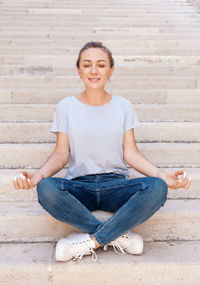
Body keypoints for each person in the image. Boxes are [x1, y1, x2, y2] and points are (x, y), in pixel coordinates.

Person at [13, 41, 191, 262]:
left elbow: (131, 154)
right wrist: (39, 175)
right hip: (80, 186)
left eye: (101, 64)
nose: (94, 71)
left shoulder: (123, 106)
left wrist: (160, 174)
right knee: (47, 188)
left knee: (157, 187)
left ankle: (92, 241)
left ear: (111, 70)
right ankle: (114, 236)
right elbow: (61, 154)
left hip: (115, 185)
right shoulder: (66, 107)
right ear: (78, 70)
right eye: (87, 65)